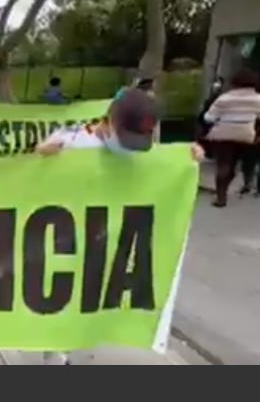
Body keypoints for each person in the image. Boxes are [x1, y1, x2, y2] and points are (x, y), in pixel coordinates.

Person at [37, 88, 204, 365]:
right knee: (62, 300)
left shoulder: (141, 151)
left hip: (107, 243)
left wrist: (187, 158)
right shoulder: (71, 142)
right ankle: (56, 356)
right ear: (110, 120)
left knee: (90, 298)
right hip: (66, 239)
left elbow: (161, 169)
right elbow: (26, 181)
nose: (131, 147)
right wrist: (42, 156)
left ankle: (74, 345)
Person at [202, 69, 260, 207]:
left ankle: (221, 197)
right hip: (246, 135)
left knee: (224, 165)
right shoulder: (258, 99)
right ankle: (232, 187)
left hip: (223, 135)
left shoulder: (224, 98)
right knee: (235, 167)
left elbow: (208, 117)